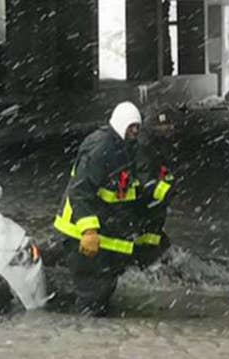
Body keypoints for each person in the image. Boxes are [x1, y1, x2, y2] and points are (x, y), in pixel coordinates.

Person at [51, 101, 143, 315]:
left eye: (137, 127)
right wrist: (89, 230)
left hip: (104, 234)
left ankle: (96, 337)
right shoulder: (101, 149)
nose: (135, 132)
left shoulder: (126, 150)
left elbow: (125, 192)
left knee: (102, 290)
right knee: (92, 295)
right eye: (131, 127)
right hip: (80, 233)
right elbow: (80, 191)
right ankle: (88, 339)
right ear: (121, 126)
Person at [132, 105, 181, 268]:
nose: (171, 128)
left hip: (153, 210)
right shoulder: (144, 147)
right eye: (167, 125)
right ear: (156, 127)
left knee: (155, 240)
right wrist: (166, 191)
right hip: (144, 209)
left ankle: (154, 262)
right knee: (147, 242)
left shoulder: (162, 144)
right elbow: (145, 181)